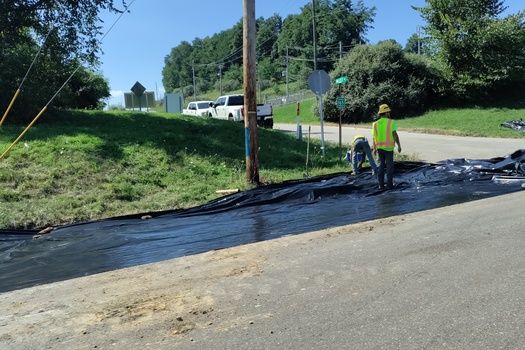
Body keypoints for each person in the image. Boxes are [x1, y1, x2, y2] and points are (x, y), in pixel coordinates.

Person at [372, 104, 402, 190]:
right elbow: (395, 135)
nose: (389, 113)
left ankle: (380, 185)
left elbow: (374, 137)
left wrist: (374, 148)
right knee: (389, 167)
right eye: (388, 112)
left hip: (379, 148)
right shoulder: (391, 122)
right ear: (386, 113)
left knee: (380, 166)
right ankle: (389, 185)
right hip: (389, 148)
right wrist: (399, 146)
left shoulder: (375, 124)